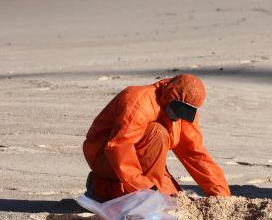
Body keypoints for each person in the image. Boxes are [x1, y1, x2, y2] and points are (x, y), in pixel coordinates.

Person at [82, 74, 230, 201]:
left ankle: (127, 189)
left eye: (185, 113)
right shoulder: (140, 101)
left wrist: (220, 193)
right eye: (177, 110)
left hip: (143, 158)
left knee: (173, 199)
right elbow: (119, 146)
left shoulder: (184, 114)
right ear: (168, 98)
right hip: (104, 155)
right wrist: (144, 188)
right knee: (157, 133)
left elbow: (195, 153)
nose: (178, 117)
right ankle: (99, 187)